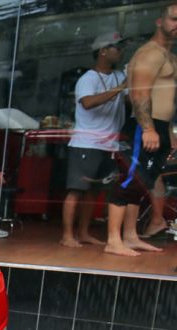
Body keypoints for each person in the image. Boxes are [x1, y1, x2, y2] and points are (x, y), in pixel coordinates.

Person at [105, 4, 177, 257]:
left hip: (159, 126)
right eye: (174, 19)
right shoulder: (150, 53)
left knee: (140, 184)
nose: (176, 25)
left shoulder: (169, 56)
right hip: (143, 126)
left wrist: (165, 131)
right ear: (160, 21)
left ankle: (130, 236)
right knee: (127, 182)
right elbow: (139, 94)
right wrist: (148, 128)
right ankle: (113, 240)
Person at [61, 32, 127, 248]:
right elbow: (88, 103)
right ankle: (67, 235)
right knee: (76, 190)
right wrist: (120, 88)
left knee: (93, 192)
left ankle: (83, 233)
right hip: (86, 143)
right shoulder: (87, 79)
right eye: (116, 47)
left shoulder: (119, 75)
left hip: (109, 144)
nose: (120, 51)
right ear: (102, 51)